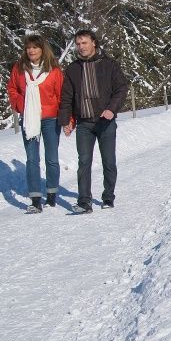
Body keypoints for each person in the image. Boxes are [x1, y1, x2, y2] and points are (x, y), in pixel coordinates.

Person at [58, 29, 129, 213]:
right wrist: (66, 120)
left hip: (104, 121)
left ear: (94, 43)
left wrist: (111, 109)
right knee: (84, 162)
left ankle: (108, 197)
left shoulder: (108, 65)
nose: (81, 47)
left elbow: (121, 88)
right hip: (84, 122)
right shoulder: (73, 69)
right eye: (78, 44)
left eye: (85, 43)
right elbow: (66, 97)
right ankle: (84, 202)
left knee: (108, 161)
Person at [7, 33, 64, 213]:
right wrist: (19, 104)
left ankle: (52, 193)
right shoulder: (19, 69)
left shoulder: (53, 70)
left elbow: (61, 95)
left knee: (52, 158)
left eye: (35, 47)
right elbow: (12, 89)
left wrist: (67, 118)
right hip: (29, 119)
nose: (31, 50)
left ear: (42, 49)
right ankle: (35, 199)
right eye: (28, 47)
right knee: (32, 159)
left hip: (51, 118)